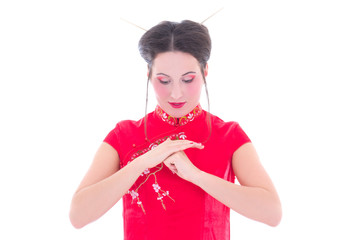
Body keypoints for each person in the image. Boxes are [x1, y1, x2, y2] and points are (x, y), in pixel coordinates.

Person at [69, 20, 282, 240]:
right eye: (164, 80)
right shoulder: (124, 135)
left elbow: (272, 212)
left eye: (188, 79)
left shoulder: (228, 135)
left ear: (205, 70)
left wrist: (196, 176)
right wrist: (143, 161)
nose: (176, 93)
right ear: (149, 74)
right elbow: (78, 216)